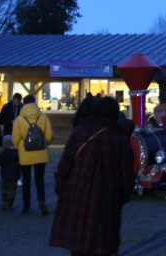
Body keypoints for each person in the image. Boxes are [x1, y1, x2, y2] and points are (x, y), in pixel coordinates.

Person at [50, 96, 135, 256]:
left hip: (76, 196)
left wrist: (62, 190)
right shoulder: (121, 141)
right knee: (102, 248)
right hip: (107, 201)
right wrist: (120, 198)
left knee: (77, 247)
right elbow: (127, 179)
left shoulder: (79, 133)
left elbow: (63, 167)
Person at [12, 94, 53, 216]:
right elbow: (50, 134)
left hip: (25, 153)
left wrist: (20, 146)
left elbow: (15, 138)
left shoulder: (20, 119)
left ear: (23, 103)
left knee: (26, 179)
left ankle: (26, 206)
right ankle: (42, 202)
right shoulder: (43, 117)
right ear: (35, 103)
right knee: (39, 179)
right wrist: (45, 143)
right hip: (41, 152)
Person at [0, 134, 20, 211]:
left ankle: (4, 201)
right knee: (12, 190)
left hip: (5, 174)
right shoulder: (17, 153)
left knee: (4, 188)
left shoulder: (3, 153)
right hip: (15, 174)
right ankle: (10, 205)